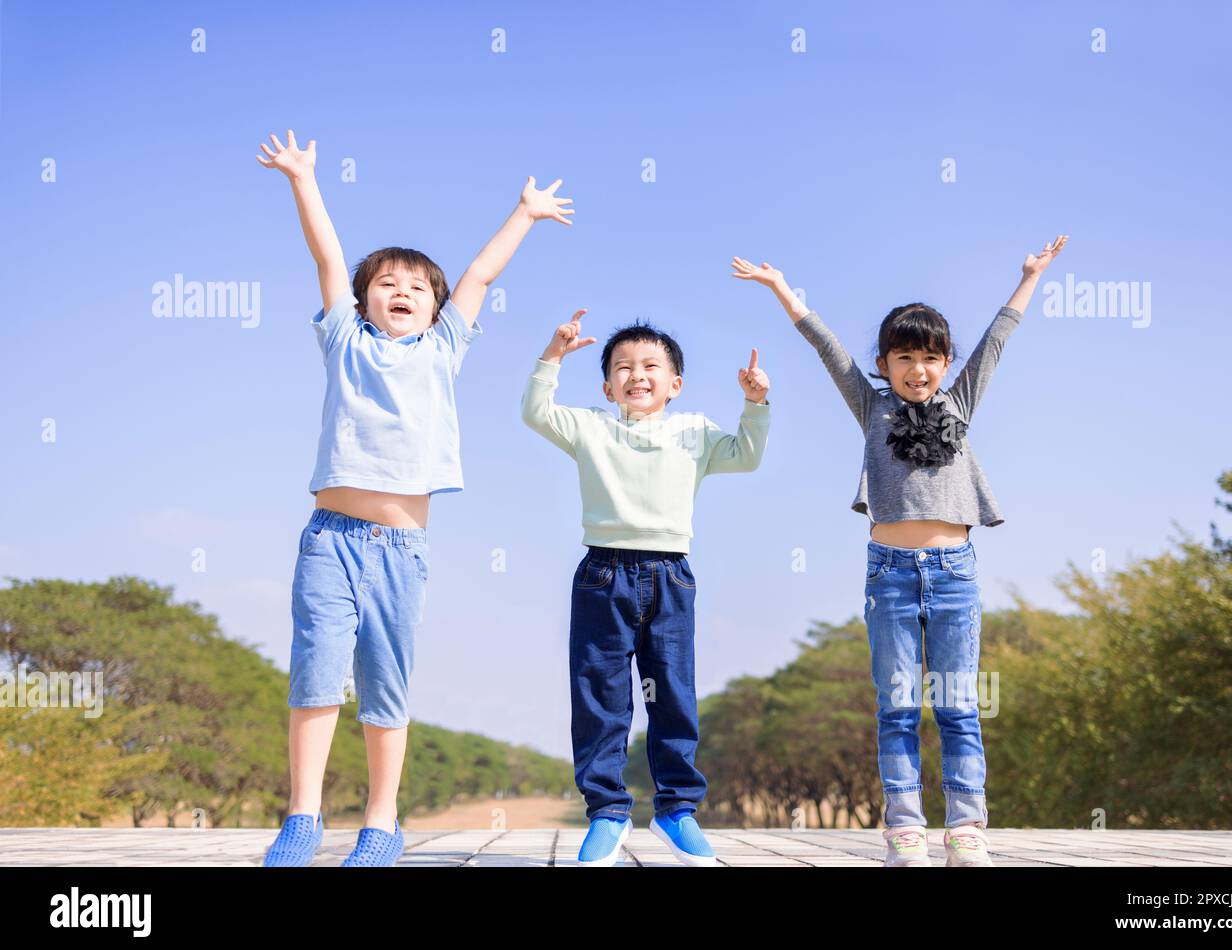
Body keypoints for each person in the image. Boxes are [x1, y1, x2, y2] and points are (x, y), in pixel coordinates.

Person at [256, 128, 573, 866]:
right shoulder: (345, 342)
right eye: (387, 284)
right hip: (329, 538)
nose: (401, 292)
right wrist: (303, 178)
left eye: (416, 287)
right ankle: (301, 816)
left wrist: (524, 214)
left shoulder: (443, 350)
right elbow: (328, 257)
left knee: (384, 685)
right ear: (364, 302)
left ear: (435, 308)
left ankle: (381, 821)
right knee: (315, 670)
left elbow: (479, 277)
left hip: (401, 548)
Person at [732, 236, 1067, 866]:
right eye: (904, 356)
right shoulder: (872, 408)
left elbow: (997, 339)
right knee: (898, 706)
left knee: (959, 706)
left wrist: (1029, 276)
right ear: (884, 364)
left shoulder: (959, 406)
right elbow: (827, 347)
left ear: (945, 364)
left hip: (955, 572)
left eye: (931, 358)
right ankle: (906, 830)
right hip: (889, 573)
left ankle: (966, 829)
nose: (918, 369)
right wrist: (781, 288)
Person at [521, 309, 771, 866]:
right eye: (623, 367)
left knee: (672, 694)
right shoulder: (590, 426)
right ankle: (608, 814)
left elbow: (747, 456)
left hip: (670, 575)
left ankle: (676, 810)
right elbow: (535, 412)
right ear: (607, 385)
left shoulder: (696, 430)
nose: (637, 375)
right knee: (600, 697)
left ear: (674, 383)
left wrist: (755, 404)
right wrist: (552, 357)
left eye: (651, 366)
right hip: (602, 574)